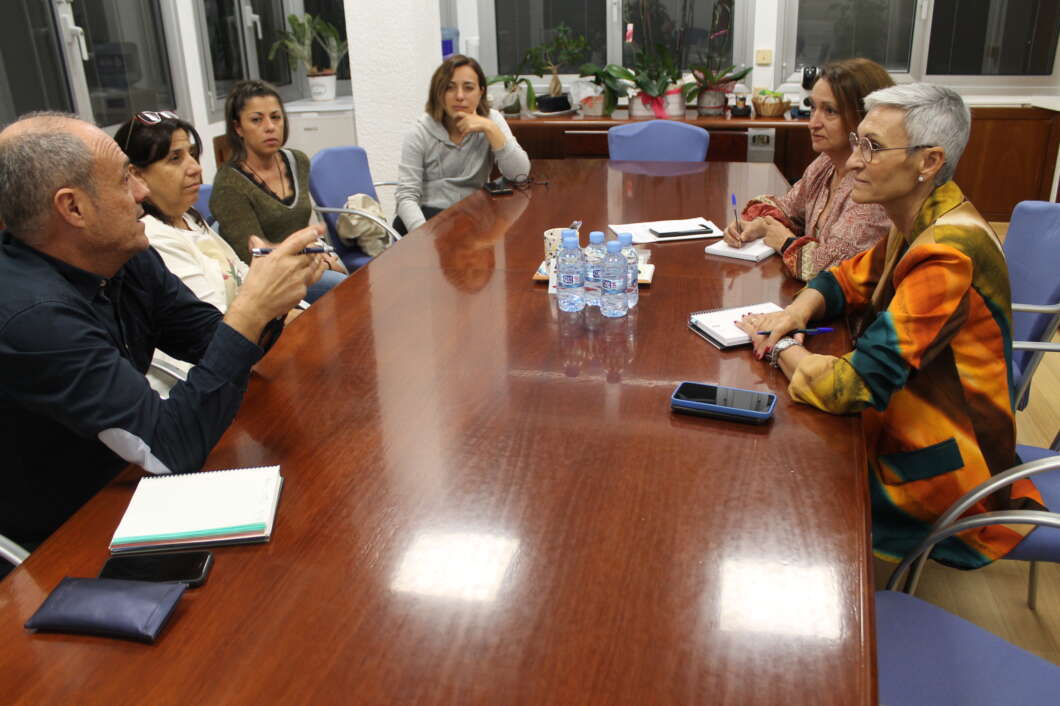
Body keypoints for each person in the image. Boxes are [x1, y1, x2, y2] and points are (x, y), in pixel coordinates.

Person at [735, 84, 1044, 569]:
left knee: (774, 481)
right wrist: (797, 313)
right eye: (858, 142)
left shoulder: (946, 253)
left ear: (929, 161)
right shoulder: (922, 215)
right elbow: (846, 277)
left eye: (872, 147)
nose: (854, 161)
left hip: (945, 469)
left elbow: (852, 387)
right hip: (910, 420)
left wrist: (776, 347)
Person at [0, 112, 326, 552]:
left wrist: (272, 300)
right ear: (73, 207)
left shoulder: (123, 255)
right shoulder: (33, 316)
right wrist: (250, 309)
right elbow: (169, 450)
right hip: (67, 535)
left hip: (131, 486)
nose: (143, 192)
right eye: (123, 181)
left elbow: (211, 341)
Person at [115, 111, 310, 395]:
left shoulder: (190, 219)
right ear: (136, 174)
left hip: (248, 356)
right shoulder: (150, 239)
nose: (195, 168)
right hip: (208, 383)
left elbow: (243, 276)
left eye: (192, 155)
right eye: (175, 158)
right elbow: (216, 331)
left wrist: (294, 306)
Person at [723, 58, 894, 281]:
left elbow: (835, 272)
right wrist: (759, 225)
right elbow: (789, 208)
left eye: (830, 111)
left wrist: (785, 241)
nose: (813, 123)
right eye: (813, 108)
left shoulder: (873, 184)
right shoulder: (826, 162)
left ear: (866, 117)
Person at [211, 80, 347, 296]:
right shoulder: (229, 184)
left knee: (355, 282)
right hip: (272, 279)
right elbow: (256, 257)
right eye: (257, 120)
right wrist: (319, 262)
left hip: (310, 254)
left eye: (275, 117)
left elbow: (302, 227)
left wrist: (322, 255)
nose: (270, 127)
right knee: (342, 285)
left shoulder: (298, 161)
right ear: (238, 128)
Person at [395, 54, 531, 234]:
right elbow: (406, 197)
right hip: (427, 222)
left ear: (481, 92)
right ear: (439, 93)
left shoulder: (491, 120)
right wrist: (423, 237)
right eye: (450, 88)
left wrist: (490, 129)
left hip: (472, 219)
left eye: (468, 88)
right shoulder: (419, 132)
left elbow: (520, 175)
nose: (459, 96)